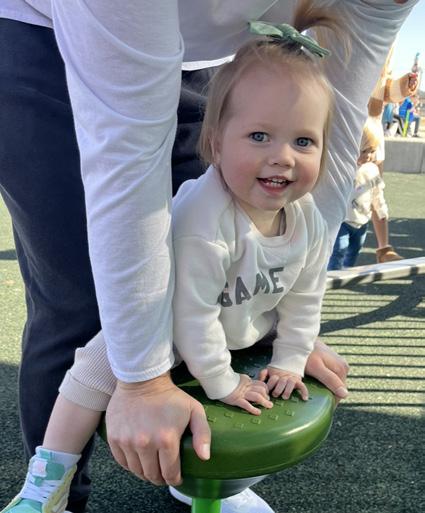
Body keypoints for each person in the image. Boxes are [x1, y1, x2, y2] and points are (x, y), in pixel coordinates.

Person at [0, 1, 418, 512]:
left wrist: (291, 353)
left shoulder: (304, 215)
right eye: (260, 137)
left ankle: (202, 482)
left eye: (303, 141)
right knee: (93, 352)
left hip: (220, 306)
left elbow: (304, 290)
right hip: (182, 313)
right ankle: (48, 482)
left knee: (248, 326)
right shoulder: (203, 221)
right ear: (214, 145)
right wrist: (209, 383)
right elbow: (190, 310)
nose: (283, 157)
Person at [367, 43, 419, 263]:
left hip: (372, 133)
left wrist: (405, 86)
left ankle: (384, 248)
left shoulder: (380, 59)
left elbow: (386, 90)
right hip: (339, 134)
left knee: (376, 192)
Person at [328, 119, 389, 270]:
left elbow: (377, 195)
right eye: (363, 151)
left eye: (371, 150)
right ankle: (332, 277)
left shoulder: (372, 170)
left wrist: (381, 211)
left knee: (353, 253)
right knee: (337, 253)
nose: (368, 155)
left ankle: (347, 274)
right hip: (343, 221)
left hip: (362, 222)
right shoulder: (342, 168)